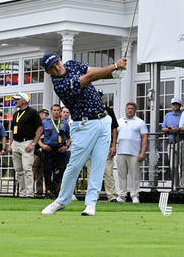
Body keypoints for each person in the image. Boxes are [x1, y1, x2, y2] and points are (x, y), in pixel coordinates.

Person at [40, 52, 128, 217]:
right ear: (47, 72)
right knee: (74, 165)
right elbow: (89, 78)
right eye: (52, 67)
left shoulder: (72, 64)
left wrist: (115, 72)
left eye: (57, 63)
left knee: (98, 165)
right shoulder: (60, 85)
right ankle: (61, 201)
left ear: (60, 59)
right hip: (84, 125)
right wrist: (114, 67)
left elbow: (95, 70)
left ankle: (90, 204)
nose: (57, 67)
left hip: (104, 122)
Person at [10, 92, 43, 198]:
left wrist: (33, 143)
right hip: (16, 142)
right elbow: (12, 130)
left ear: (24, 100)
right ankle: (22, 192)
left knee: (27, 169)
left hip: (26, 142)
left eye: (17, 99)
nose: (15, 101)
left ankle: (29, 193)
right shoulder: (16, 114)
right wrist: (10, 144)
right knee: (18, 169)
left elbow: (40, 128)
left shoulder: (32, 112)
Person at [115, 102, 148, 203]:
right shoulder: (119, 121)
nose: (130, 110)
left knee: (134, 175)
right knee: (122, 175)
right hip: (121, 152)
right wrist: (113, 147)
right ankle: (122, 195)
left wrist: (142, 152)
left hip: (134, 153)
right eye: (128, 108)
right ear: (125, 110)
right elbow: (114, 134)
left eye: (132, 109)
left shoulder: (140, 122)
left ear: (135, 110)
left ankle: (134, 195)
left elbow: (145, 137)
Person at [38, 104, 70, 199]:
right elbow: (37, 137)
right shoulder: (45, 123)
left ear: (60, 112)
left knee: (59, 172)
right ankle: (48, 192)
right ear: (51, 112)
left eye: (57, 110)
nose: (56, 112)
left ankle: (55, 192)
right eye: (54, 110)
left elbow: (69, 137)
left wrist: (66, 146)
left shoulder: (64, 123)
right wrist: (42, 145)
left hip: (60, 149)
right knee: (47, 171)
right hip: (48, 149)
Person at [162, 97, 184, 190]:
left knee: (183, 165)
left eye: (177, 104)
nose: (175, 105)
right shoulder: (168, 115)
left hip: (181, 142)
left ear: (180, 105)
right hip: (171, 143)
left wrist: (178, 130)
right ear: (171, 105)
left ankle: (183, 187)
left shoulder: (183, 114)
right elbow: (163, 128)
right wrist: (169, 130)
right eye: (173, 104)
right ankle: (176, 186)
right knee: (173, 166)